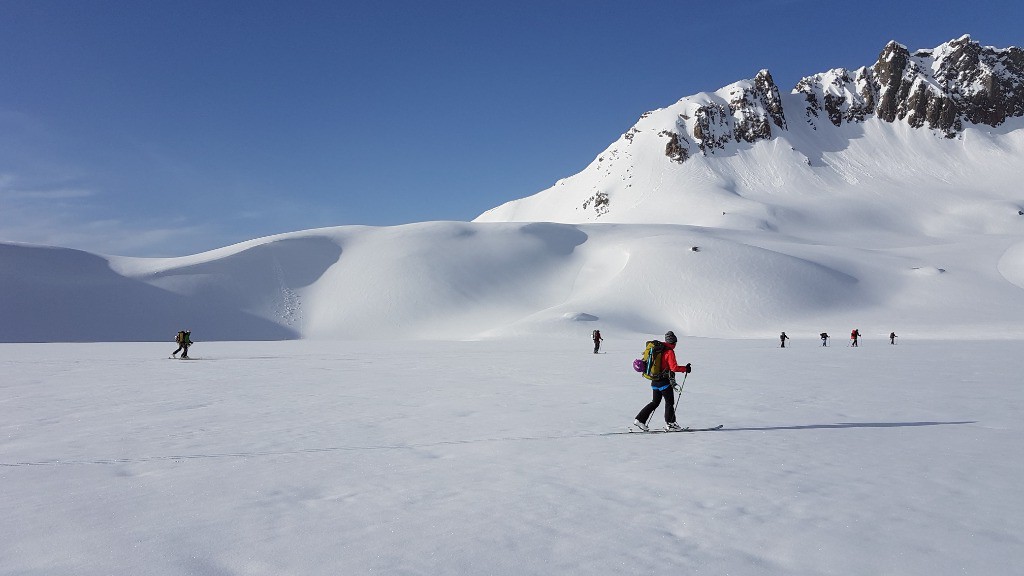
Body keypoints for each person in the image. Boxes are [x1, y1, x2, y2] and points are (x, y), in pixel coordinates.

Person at [633, 331, 692, 432]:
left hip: (654, 381)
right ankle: (671, 423)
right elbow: (674, 368)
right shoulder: (669, 352)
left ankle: (640, 419)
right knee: (669, 402)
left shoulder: (657, 349)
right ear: (673, 342)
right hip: (664, 382)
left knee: (655, 402)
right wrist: (685, 369)